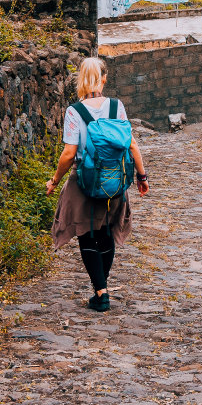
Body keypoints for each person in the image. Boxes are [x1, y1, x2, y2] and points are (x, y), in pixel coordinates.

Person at [46, 56, 149, 312]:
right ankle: (102, 286)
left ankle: (101, 292)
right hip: (115, 182)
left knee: (87, 234)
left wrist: (54, 180)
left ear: (81, 80)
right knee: (106, 233)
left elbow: (70, 154)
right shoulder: (117, 107)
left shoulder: (75, 111)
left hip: (85, 182)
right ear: (104, 78)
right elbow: (131, 144)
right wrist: (142, 176)